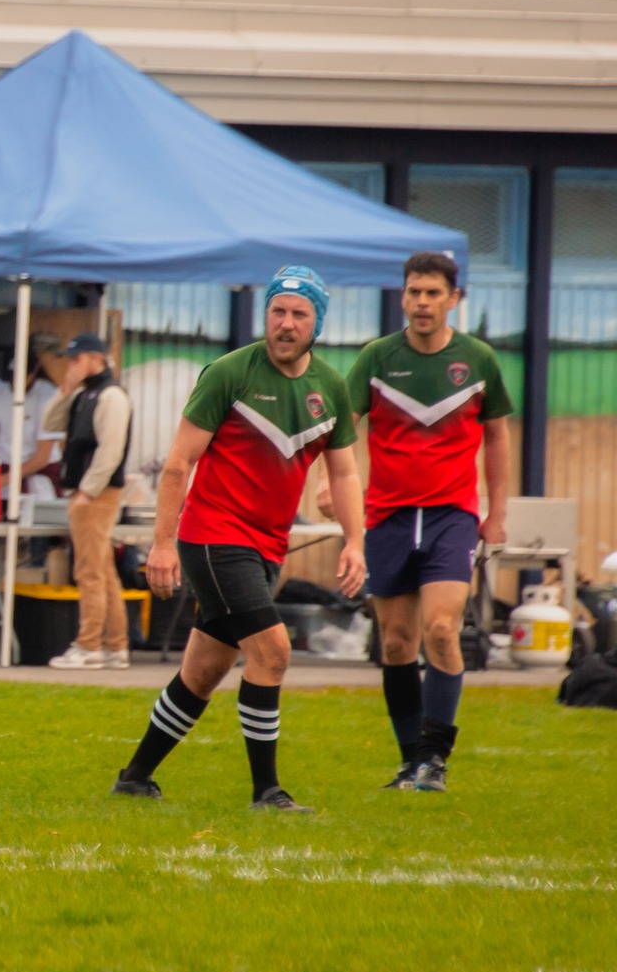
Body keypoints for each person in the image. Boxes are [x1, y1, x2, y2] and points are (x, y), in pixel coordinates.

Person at [112, 267, 365, 812]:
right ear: (265, 316)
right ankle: (266, 791)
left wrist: (354, 542)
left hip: (266, 546)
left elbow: (344, 472)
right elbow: (178, 463)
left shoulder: (331, 387)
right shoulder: (228, 373)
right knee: (273, 651)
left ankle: (134, 777)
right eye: (278, 311)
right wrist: (162, 544)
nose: (286, 323)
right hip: (213, 537)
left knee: (203, 671)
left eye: (299, 314)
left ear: (317, 323)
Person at [342, 251, 512, 792]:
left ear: (453, 299)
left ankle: (434, 760)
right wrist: (329, 481)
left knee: (440, 629)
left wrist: (497, 513)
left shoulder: (478, 360)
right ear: (403, 297)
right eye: (414, 291)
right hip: (387, 516)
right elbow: (342, 426)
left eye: (433, 293)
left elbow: (497, 437)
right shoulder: (376, 357)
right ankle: (409, 761)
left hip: (451, 516)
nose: (422, 302)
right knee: (395, 642)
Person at [43, 332, 133, 670]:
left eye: (77, 359)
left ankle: (89, 644)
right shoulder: (84, 394)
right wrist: (65, 390)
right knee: (103, 570)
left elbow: (110, 451)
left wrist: (87, 491)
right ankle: (116, 645)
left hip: (97, 494)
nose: (71, 365)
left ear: (97, 358)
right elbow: (49, 424)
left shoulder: (111, 396)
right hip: (87, 491)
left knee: (88, 571)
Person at [0, 338, 62, 493]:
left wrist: (4, 480)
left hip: (40, 470)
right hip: (5, 465)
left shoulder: (49, 395)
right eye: (11, 378)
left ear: (34, 371)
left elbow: (42, 456)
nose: (15, 384)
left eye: (21, 378)